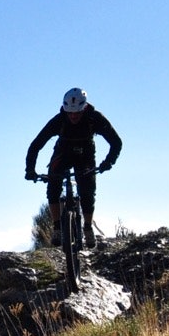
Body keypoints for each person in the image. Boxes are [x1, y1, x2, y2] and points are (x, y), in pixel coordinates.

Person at [25, 87, 122, 247]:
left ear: (84, 108)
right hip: (63, 152)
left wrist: (108, 162)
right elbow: (36, 145)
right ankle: (57, 228)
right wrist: (30, 169)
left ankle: (88, 228)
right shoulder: (59, 120)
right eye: (70, 113)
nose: (73, 116)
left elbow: (116, 142)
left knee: (88, 191)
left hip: (85, 153)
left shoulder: (95, 118)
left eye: (77, 113)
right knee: (53, 185)